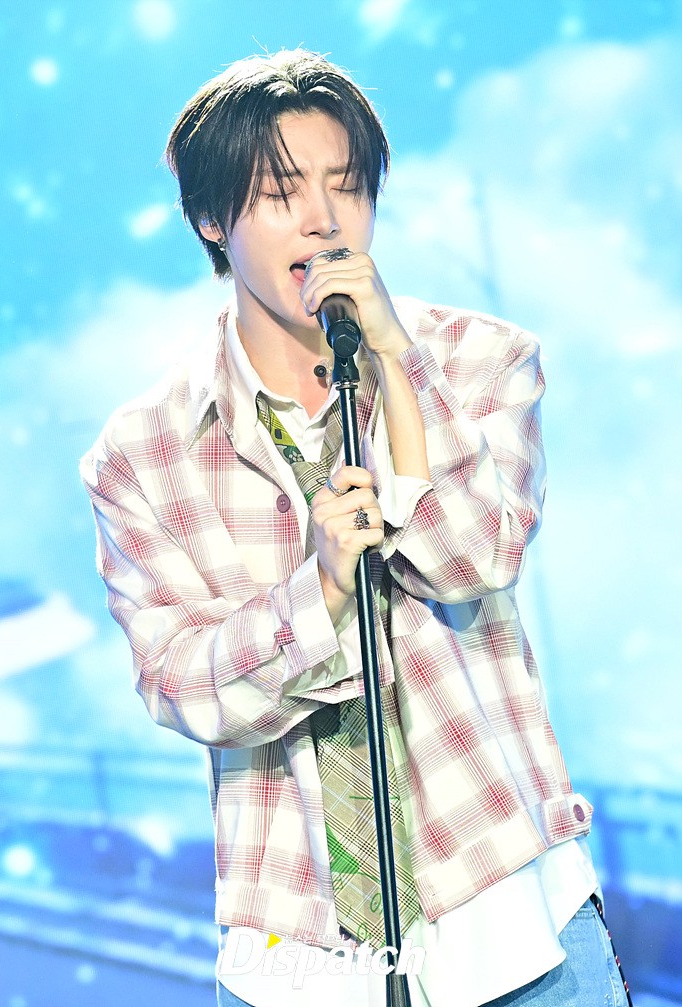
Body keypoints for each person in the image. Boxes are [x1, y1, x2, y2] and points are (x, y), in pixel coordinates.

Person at [80, 49, 631, 1007]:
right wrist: (320, 592)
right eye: (280, 193)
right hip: (297, 959)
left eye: (346, 185)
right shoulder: (145, 454)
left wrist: (395, 365)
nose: (323, 218)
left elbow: (479, 553)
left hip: (510, 919)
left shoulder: (481, 361)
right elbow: (181, 685)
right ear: (211, 219)